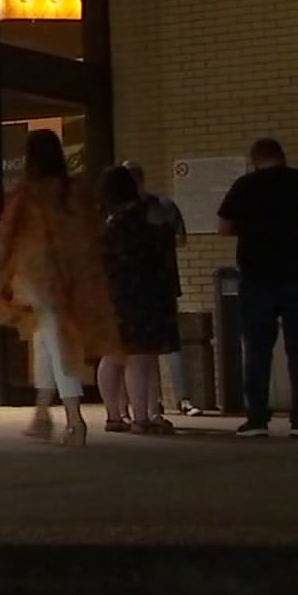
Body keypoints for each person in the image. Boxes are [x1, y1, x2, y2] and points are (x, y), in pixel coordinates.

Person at [0, 129, 119, 447]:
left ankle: (73, 420)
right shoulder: (74, 192)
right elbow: (92, 236)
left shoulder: (27, 195)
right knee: (45, 341)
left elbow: (4, 242)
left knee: (53, 343)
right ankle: (43, 415)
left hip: (34, 279)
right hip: (69, 278)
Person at [215, 138, 298, 438]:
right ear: (282, 155)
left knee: (257, 348)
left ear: (254, 159)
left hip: (257, 278)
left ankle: (256, 419)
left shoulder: (245, 186)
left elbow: (224, 227)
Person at [95, 165, 179, 434]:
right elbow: (166, 247)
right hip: (148, 293)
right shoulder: (149, 214)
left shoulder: (108, 222)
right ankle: (142, 416)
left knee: (112, 355)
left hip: (115, 294)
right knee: (140, 356)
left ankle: (114, 415)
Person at [124, 160, 201, 417]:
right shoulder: (157, 208)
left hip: (143, 285)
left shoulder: (152, 208)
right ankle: (162, 401)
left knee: (146, 348)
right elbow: (179, 238)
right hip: (161, 282)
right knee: (161, 346)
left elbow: (179, 238)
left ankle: (154, 403)